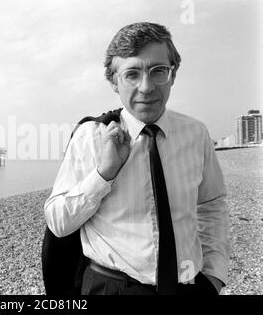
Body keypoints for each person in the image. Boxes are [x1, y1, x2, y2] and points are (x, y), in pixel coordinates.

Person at [43, 22, 230, 295]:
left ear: (173, 74)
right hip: (111, 287)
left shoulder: (196, 133)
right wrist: (104, 173)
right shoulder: (90, 137)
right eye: (132, 74)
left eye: (158, 71)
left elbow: (212, 205)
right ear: (113, 82)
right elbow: (58, 223)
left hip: (189, 286)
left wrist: (214, 275)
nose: (146, 87)